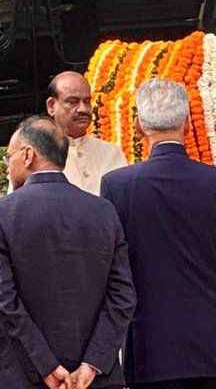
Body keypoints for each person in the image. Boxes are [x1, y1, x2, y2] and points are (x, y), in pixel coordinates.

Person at [100, 79, 216, 389]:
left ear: (139, 126)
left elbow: (115, 265)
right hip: (213, 345)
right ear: (188, 123)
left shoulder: (118, 186)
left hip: (151, 344)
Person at [0, 116, 136, 389]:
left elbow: (4, 300)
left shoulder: (4, 214)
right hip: (95, 380)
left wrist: (46, 365)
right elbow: (123, 296)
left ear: (28, 155)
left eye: (9, 158)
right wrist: (92, 364)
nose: (7, 168)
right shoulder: (103, 211)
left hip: (25, 376)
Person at [46, 71, 127, 194]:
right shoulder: (40, 154)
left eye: (87, 101)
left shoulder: (112, 152)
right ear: (51, 106)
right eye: (72, 102)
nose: (83, 109)